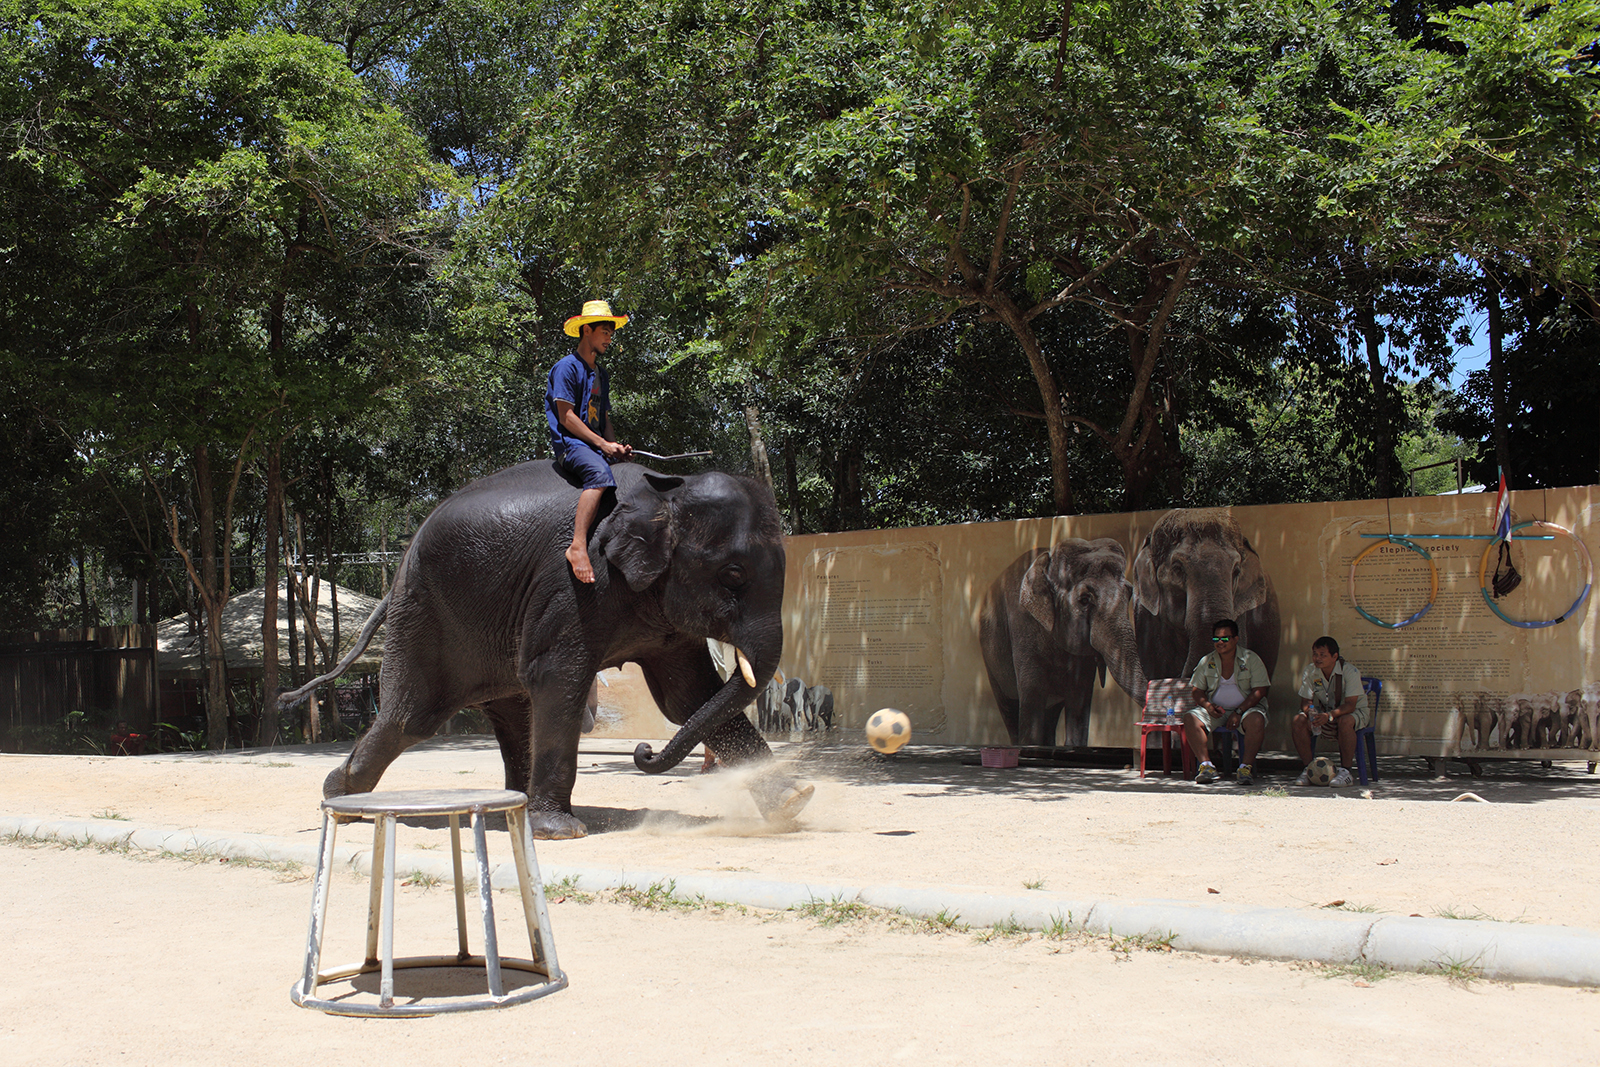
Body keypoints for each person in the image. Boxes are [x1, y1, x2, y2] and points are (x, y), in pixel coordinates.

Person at [546, 300, 633, 582]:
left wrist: (615, 446)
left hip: (595, 445)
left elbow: (604, 418)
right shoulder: (566, 368)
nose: (609, 338)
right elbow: (566, 417)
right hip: (572, 446)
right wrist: (601, 446)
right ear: (586, 331)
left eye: (611, 332)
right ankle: (578, 546)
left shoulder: (601, 374)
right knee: (598, 474)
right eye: (605, 331)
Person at [1185, 619, 1272, 785]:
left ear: (1236, 639)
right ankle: (1206, 766)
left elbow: (1260, 690)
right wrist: (1208, 706)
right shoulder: (1206, 661)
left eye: (1225, 638)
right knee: (1190, 717)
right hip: (1216, 711)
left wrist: (1239, 711)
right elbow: (1197, 691)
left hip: (1246, 710)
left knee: (1257, 719)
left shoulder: (1250, 659)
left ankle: (1245, 768)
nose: (1220, 642)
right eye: (1216, 638)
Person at [1292, 635, 1369, 787]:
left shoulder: (1350, 672)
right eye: (1315, 654)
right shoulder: (1310, 671)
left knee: (1345, 721)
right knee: (1298, 720)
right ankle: (1309, 769)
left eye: (1322, 655)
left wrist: (1330, 716)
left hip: (1353, 713)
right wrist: (1311, 714)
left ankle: (1346, 772)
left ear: (1334, 656)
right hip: (1325, 712)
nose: (1317, 658)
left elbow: (1350, 705)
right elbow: (1306, 702)